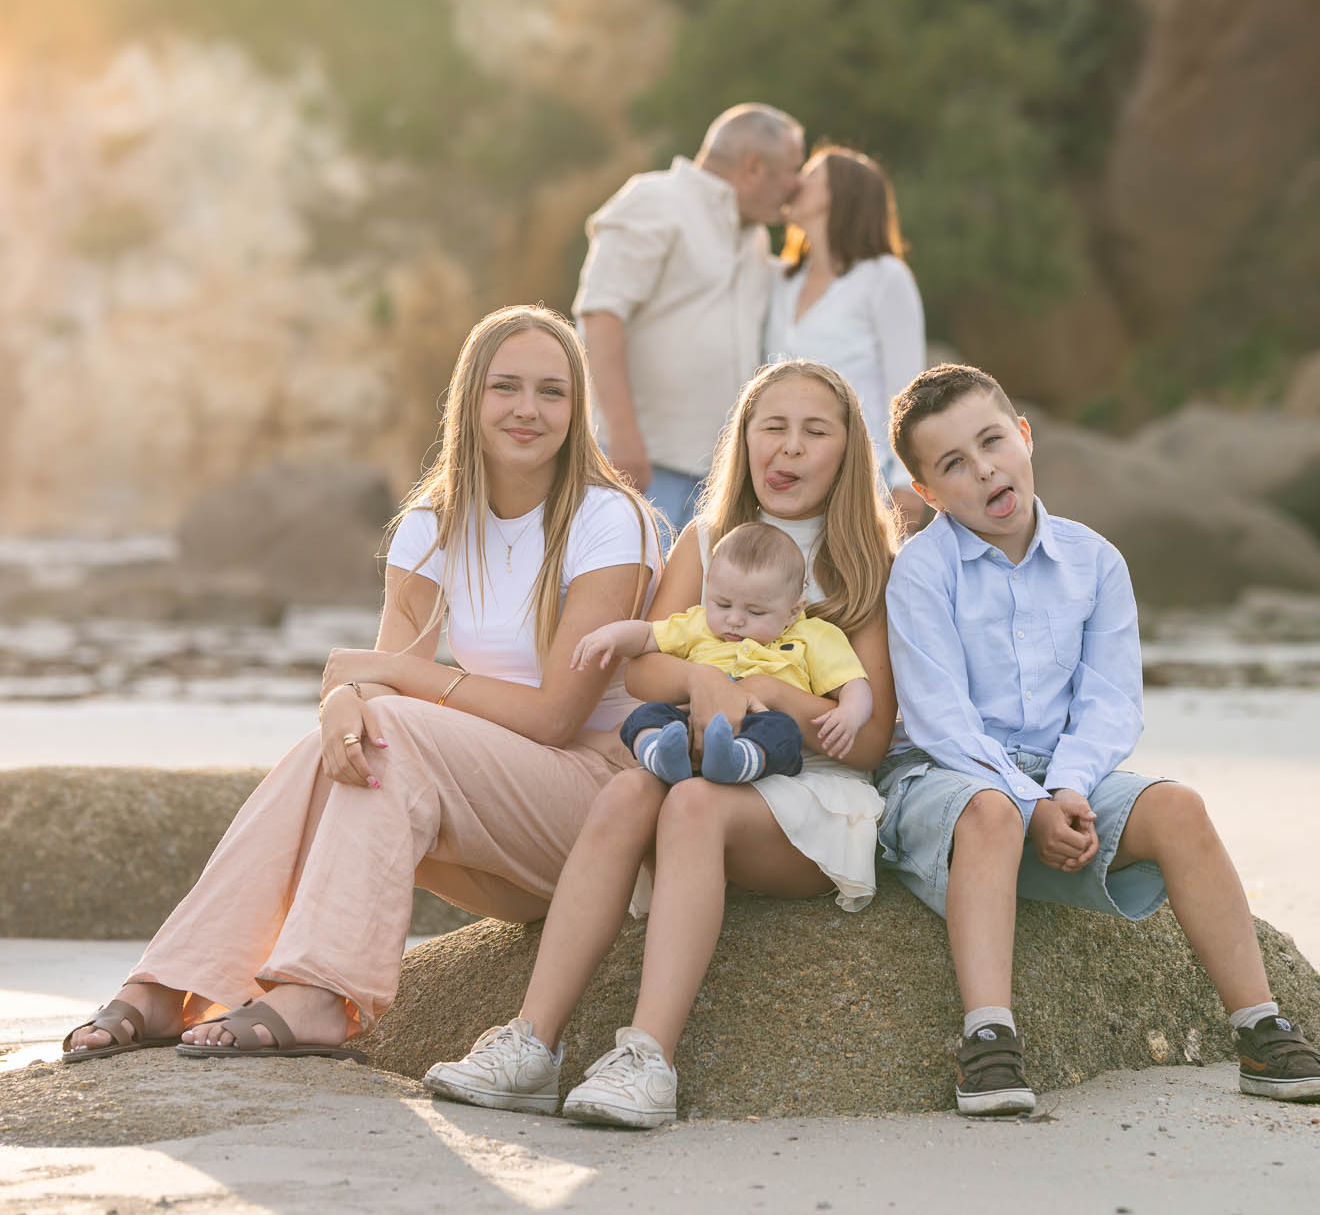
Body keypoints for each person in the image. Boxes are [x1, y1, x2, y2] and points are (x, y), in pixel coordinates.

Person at [58, 305, 660, 1063]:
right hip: (488, 834)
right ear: (470, 401)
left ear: (578, 412)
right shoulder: (432, 526)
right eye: (506, 387)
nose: (528, 411)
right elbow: (376, 696)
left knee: (393, 730)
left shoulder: (610, 521)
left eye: (553, 392)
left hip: (592, 818)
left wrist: (391, 679)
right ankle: (174, 983)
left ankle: (317, 992)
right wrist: (345, 700)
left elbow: (553, 717)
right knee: (347, 745)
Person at [422, 360, 899, 1127]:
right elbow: (644, 668)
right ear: (744, 441)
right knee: (627, 790)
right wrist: (705, 685)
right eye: (771, 428)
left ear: (848, 452)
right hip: (699, 755)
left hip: (807, 797)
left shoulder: (864, 566)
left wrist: (771, 696)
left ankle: (649, 1058)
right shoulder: (707, 542)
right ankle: (531, 1044)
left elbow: (870, 740)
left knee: (692, 808)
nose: (789, 450)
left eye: (815, 432)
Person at [878, 363, 1320, 1116]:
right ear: (928, 492)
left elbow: (1111, 702)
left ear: (1024, 437)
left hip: (1061, 776)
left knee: (1179, 807)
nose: (984, 469)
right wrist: (1031, 805)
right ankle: (988, 1039)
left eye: (993, 441)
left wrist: (1065, 789)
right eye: (954, 465)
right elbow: (941, 722)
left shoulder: (1093, 560)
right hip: (949, 781)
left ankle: (1260, 1027)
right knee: (994, 811)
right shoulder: (922, 573)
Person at [572, 103, 805, 535]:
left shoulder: (753, 237)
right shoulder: (655, 200)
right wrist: (623, 437)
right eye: (793, 169)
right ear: (754, 167)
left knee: (695, 605)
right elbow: (600, 316)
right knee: (634, 599)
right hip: (642, 464)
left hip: (721, 478)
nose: (798, 186)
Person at [574, 521, 873, 785]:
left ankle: (737, 760)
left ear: (794, 611)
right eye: (723, 604)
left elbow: (853, 683)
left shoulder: (813, 636)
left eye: (755, 612)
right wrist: (611, 635)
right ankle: (661, 754)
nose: (735, 620)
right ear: (709, 590)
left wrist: (850, 713)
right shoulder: (699, 623)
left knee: (785, 734)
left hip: (761, 723)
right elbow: (647, 636)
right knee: (646, 715)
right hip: (693, 719)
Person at [763, 144, 927, 529]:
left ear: (840, 194)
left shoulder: (884, 277)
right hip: (784, 473)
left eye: (812, 173)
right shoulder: (781, 280)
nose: (797, 182)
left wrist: (907, 480)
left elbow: (908, 385)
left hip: (864, 477)